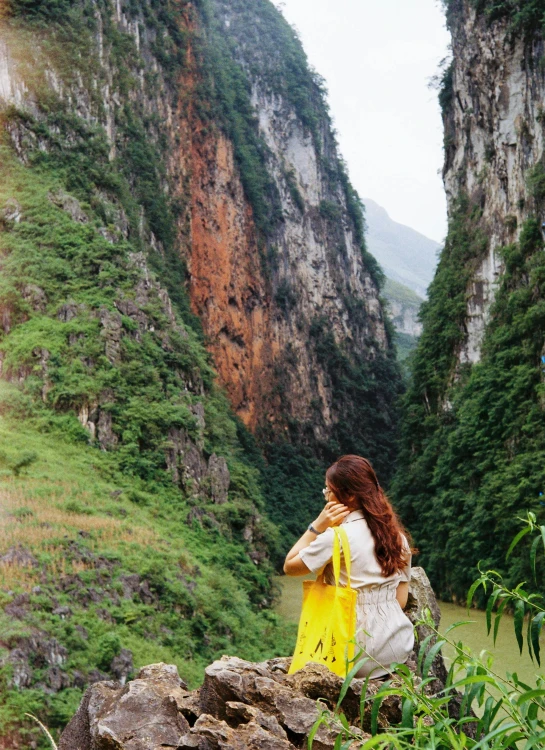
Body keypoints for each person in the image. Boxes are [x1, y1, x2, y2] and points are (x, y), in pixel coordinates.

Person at [283, 454, 414, 678]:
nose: (326, 498)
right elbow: (400, 601)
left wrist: (316, 526)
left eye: (329, 491)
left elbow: (289, 566)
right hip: (398, 648)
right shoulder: (397, 537)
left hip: (354, 654)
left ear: (349, 495)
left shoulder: (337, 537)